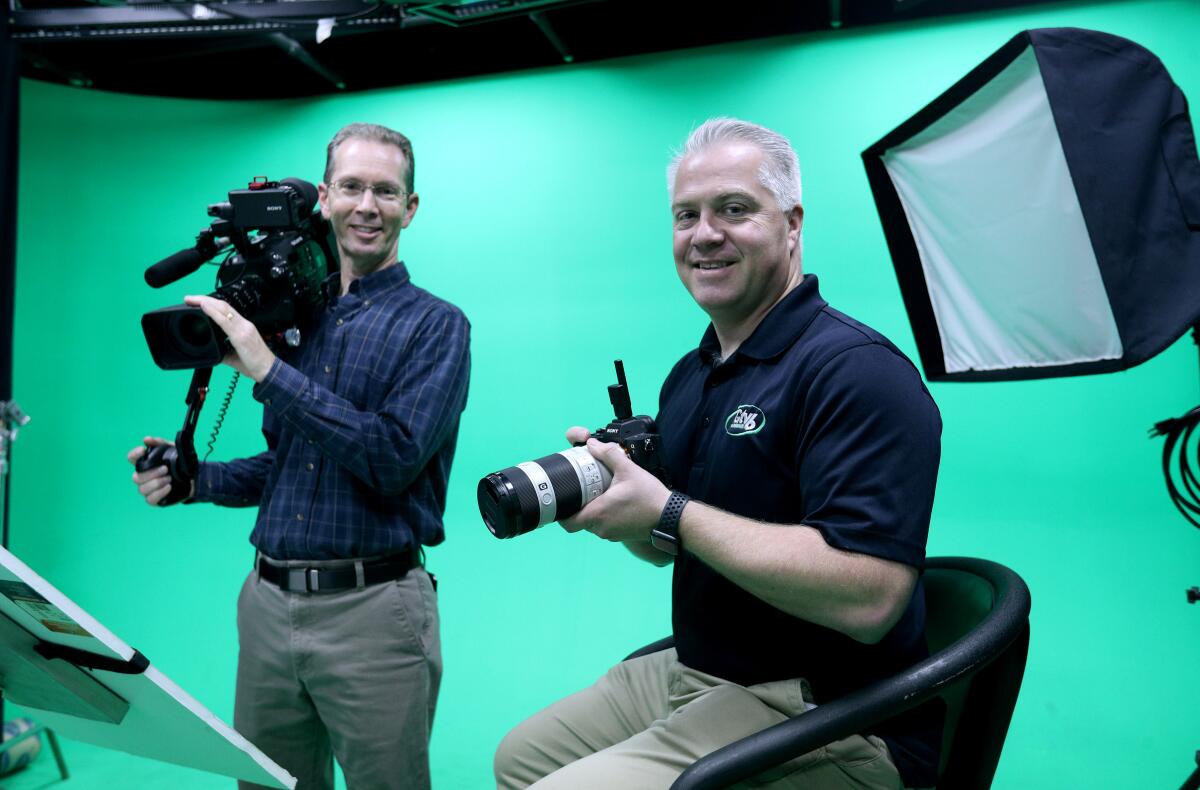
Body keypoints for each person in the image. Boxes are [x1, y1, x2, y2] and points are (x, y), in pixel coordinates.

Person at [494, 118, 942, 790]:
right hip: (701, 673)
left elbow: (871, 598)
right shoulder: (693, 373)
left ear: (791, 223)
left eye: (734, 209)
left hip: (831, 709)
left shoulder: (856, 371)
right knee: (520, 761)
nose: (705, 234)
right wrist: (624, 515)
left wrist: (669, 510)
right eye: (687, 215)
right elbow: (673, 544)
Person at [128, 122, 471, 790]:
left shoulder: (437, 326)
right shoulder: (294, 324)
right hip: (265, 606)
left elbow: (392, 458)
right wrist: (192, 478)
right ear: (324, 195)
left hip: (375, 613)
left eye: (385, 190)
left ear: (411, 206)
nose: (366, 205)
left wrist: (266, 370)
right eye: (351, 186)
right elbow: (287, 464)